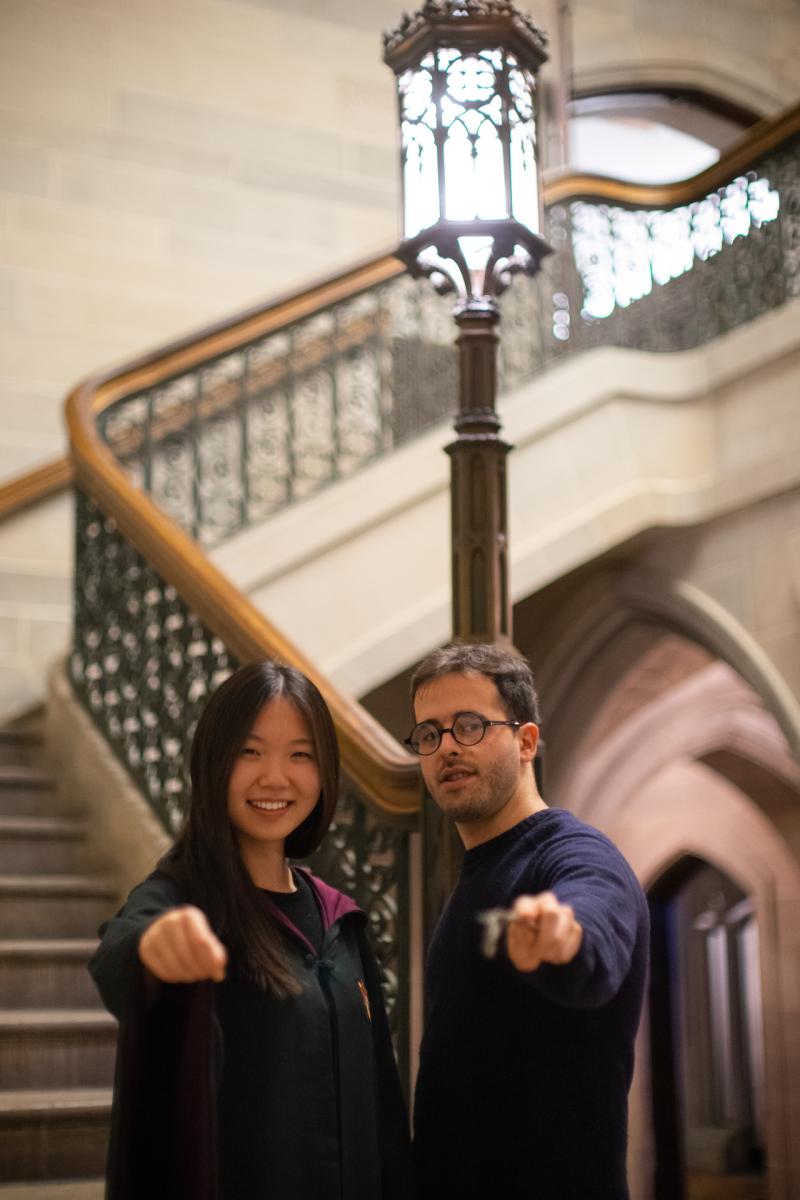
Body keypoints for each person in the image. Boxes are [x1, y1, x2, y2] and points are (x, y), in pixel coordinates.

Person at [89, 660, 412, 1200]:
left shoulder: (341, 921)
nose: (275, 778)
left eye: (301, 755)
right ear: (213, 762)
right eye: (250, 751)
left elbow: (382, 1104)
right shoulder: (184, 898)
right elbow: (122, 947)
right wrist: (156, 946)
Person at [407, 642, 649, 1200]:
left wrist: (565, 937)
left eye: (469, 726)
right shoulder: (479, 870)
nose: (447, 748)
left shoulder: (573, 852)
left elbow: (593, 913)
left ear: (526, 741)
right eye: (429, 734)